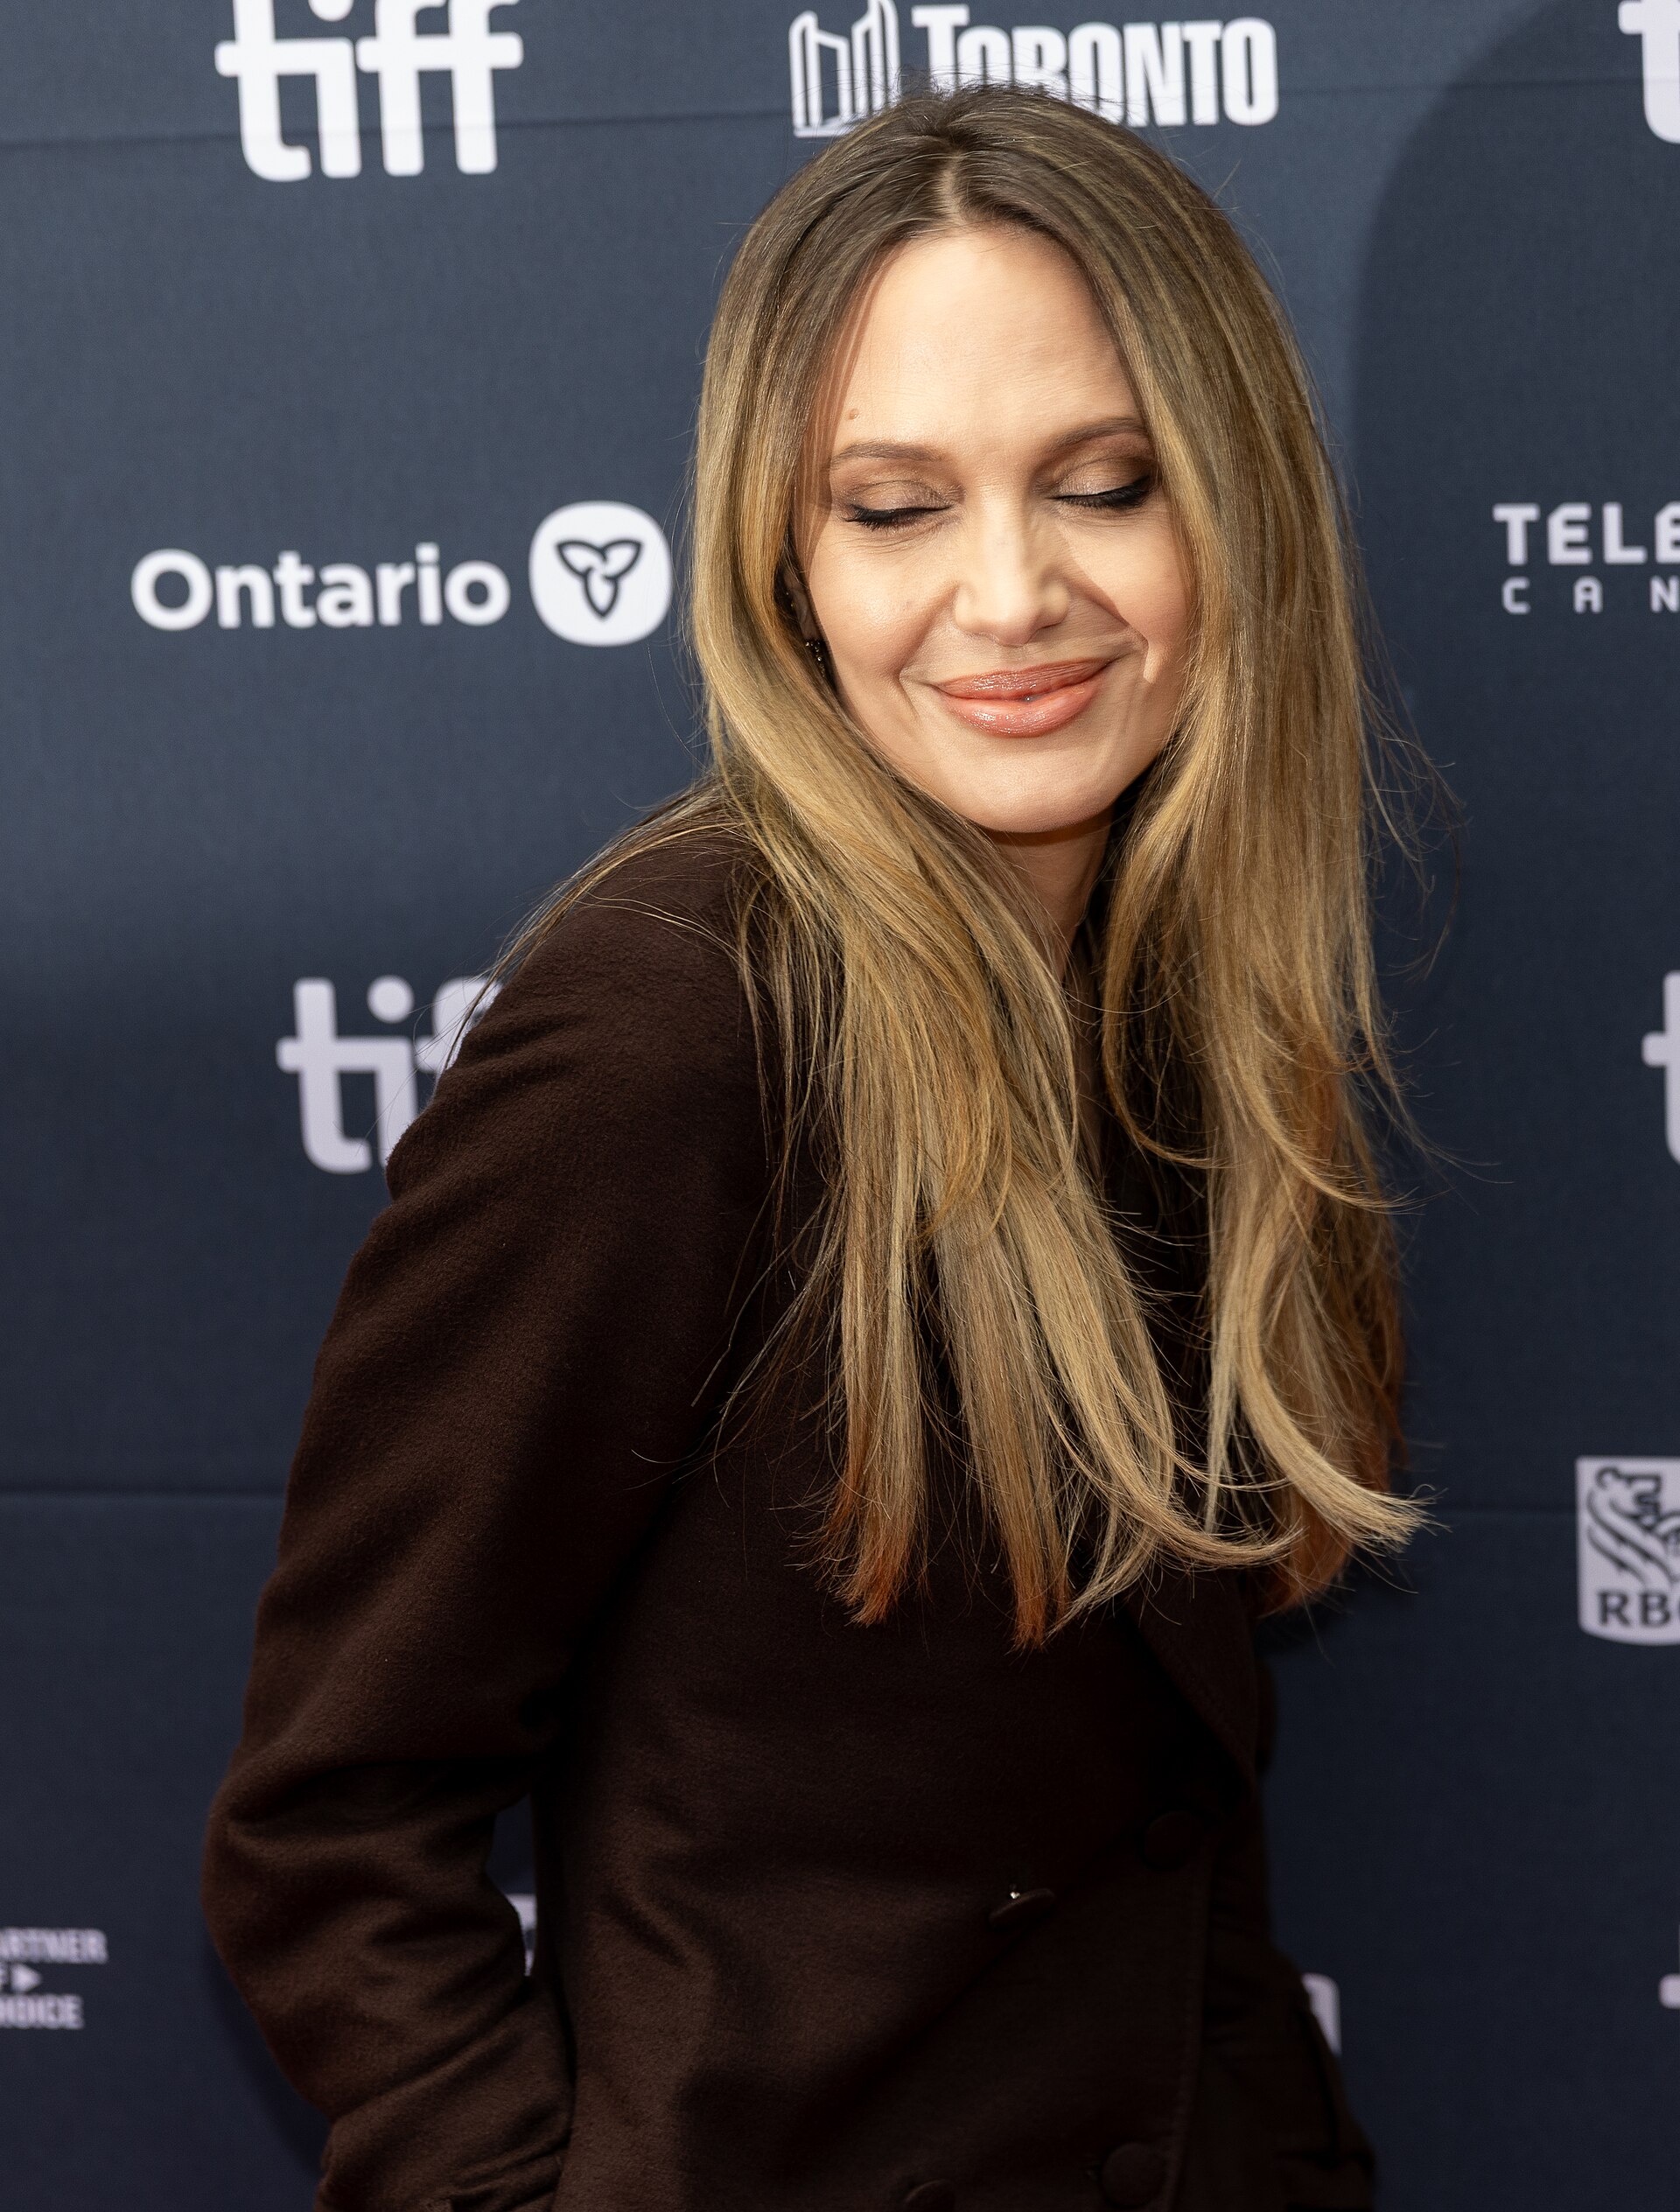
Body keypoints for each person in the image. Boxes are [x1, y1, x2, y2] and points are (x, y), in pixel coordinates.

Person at [203, 85, 1419, 2212]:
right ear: (785, 556)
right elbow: (331, 1830)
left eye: (1105, 482)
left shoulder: (1178, 993)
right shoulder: (677, 1030)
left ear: (1236, 504)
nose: (1013, 592)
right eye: (896, 505)